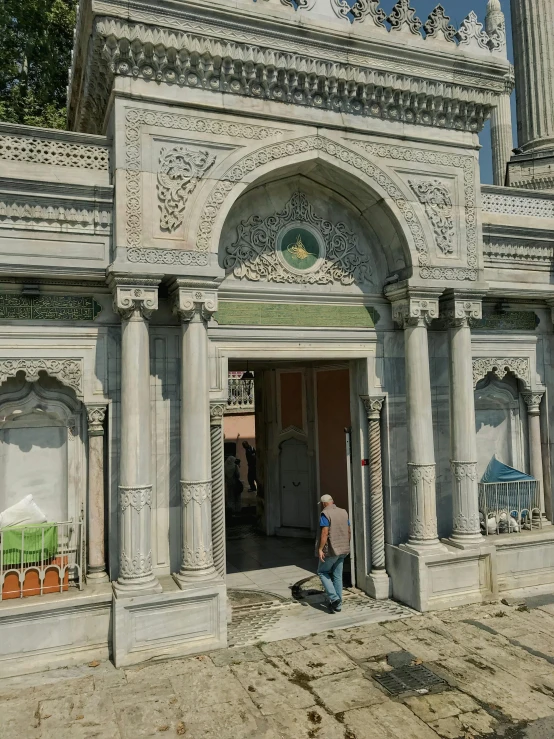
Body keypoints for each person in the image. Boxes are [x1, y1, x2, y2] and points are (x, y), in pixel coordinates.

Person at [316, 494, 351, 614]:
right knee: (337, 576)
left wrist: (320, 549)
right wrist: (346, 544)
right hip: (344, 549)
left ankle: (334, 598)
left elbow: (325, 533)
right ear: (332, 501)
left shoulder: (325, 514)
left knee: (322, 572)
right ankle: (338, 605)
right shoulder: (344, 512)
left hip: (331, 550)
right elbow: (349, 531)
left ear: (323, 504)